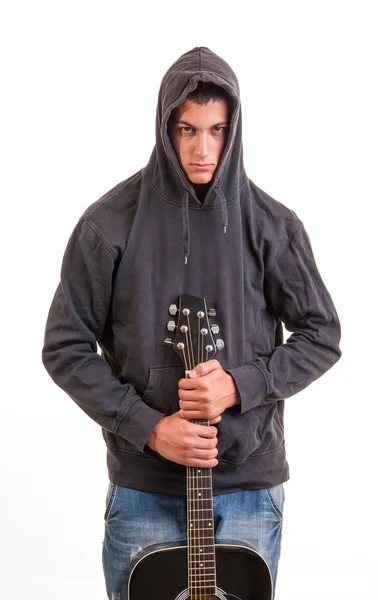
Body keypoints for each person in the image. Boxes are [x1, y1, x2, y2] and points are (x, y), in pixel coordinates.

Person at [42, 46, 341, 598]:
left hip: (247, 486)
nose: (202, 149)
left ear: (235, 131)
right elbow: (65, 347)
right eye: (186, 129)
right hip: (144, 488)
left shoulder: (273, 226)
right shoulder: (107, 225)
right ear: (164, 128)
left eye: (216, 130)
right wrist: (150, 427)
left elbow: (322, 333)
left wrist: (239, 384)